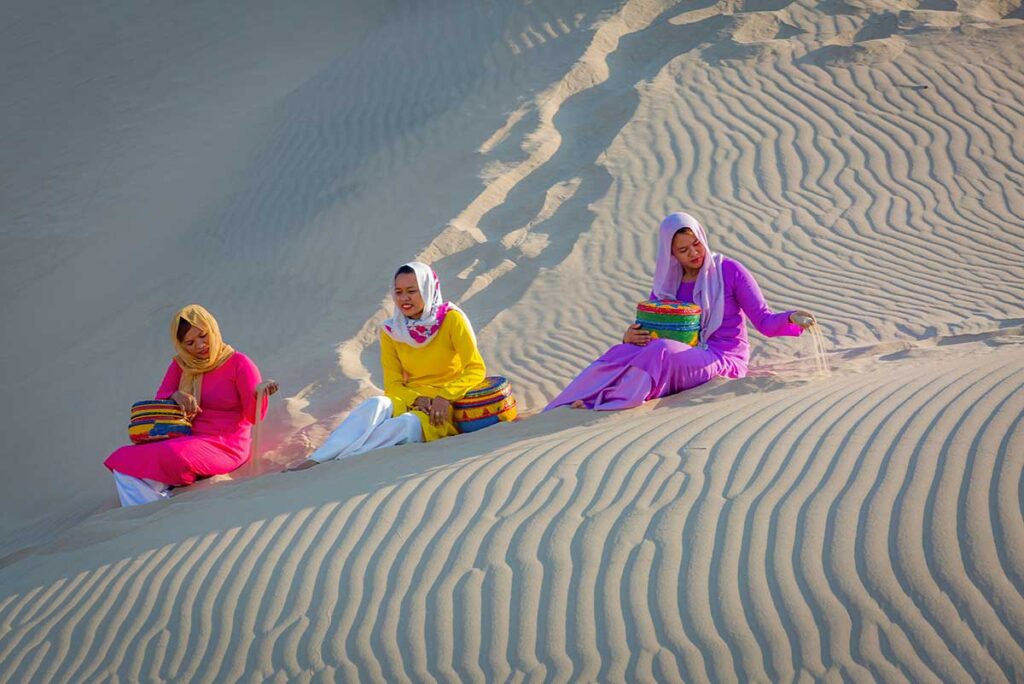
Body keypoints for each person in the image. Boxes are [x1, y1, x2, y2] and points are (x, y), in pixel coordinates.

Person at [545, 212, 815, 411]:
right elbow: (652, 328)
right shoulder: (667, 284)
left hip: (722, 359)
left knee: (660, 350)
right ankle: (565, 404)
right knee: (621, 352)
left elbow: (765, 321)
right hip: (681, 356)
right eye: (683, 250)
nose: (694, 253)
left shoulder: (728, 271)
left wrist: (791, 318)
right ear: (671, 254)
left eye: (696, 244)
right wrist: (629, 336)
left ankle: (604, 404)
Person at [285, 261, 485, 471]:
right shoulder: (392, 330)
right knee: (375, 404)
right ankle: (318, 459)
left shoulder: (451, 319)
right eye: (398, 292)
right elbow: (393, 384)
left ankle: (343, 461)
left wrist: (445, 396)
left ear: (427, 289)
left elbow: (476, 368)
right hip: (411, 398)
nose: (404, 298)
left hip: (443, 408)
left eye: (411, 291)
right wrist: (417, 398)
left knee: (405, 424)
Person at [104, 304, 277, 506]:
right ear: (181, 345)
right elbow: (161, 398)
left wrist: (260, 394)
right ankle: (149, 513)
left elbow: (253, 417)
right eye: (190, 342)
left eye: (203, 335)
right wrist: (176, 395)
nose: (200, 345)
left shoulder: (239, 363)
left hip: (226, 445)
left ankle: (157, 507)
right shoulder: (181, 365)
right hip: (185, 437)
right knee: (123, 460)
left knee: (171, 455)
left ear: (212, 330)